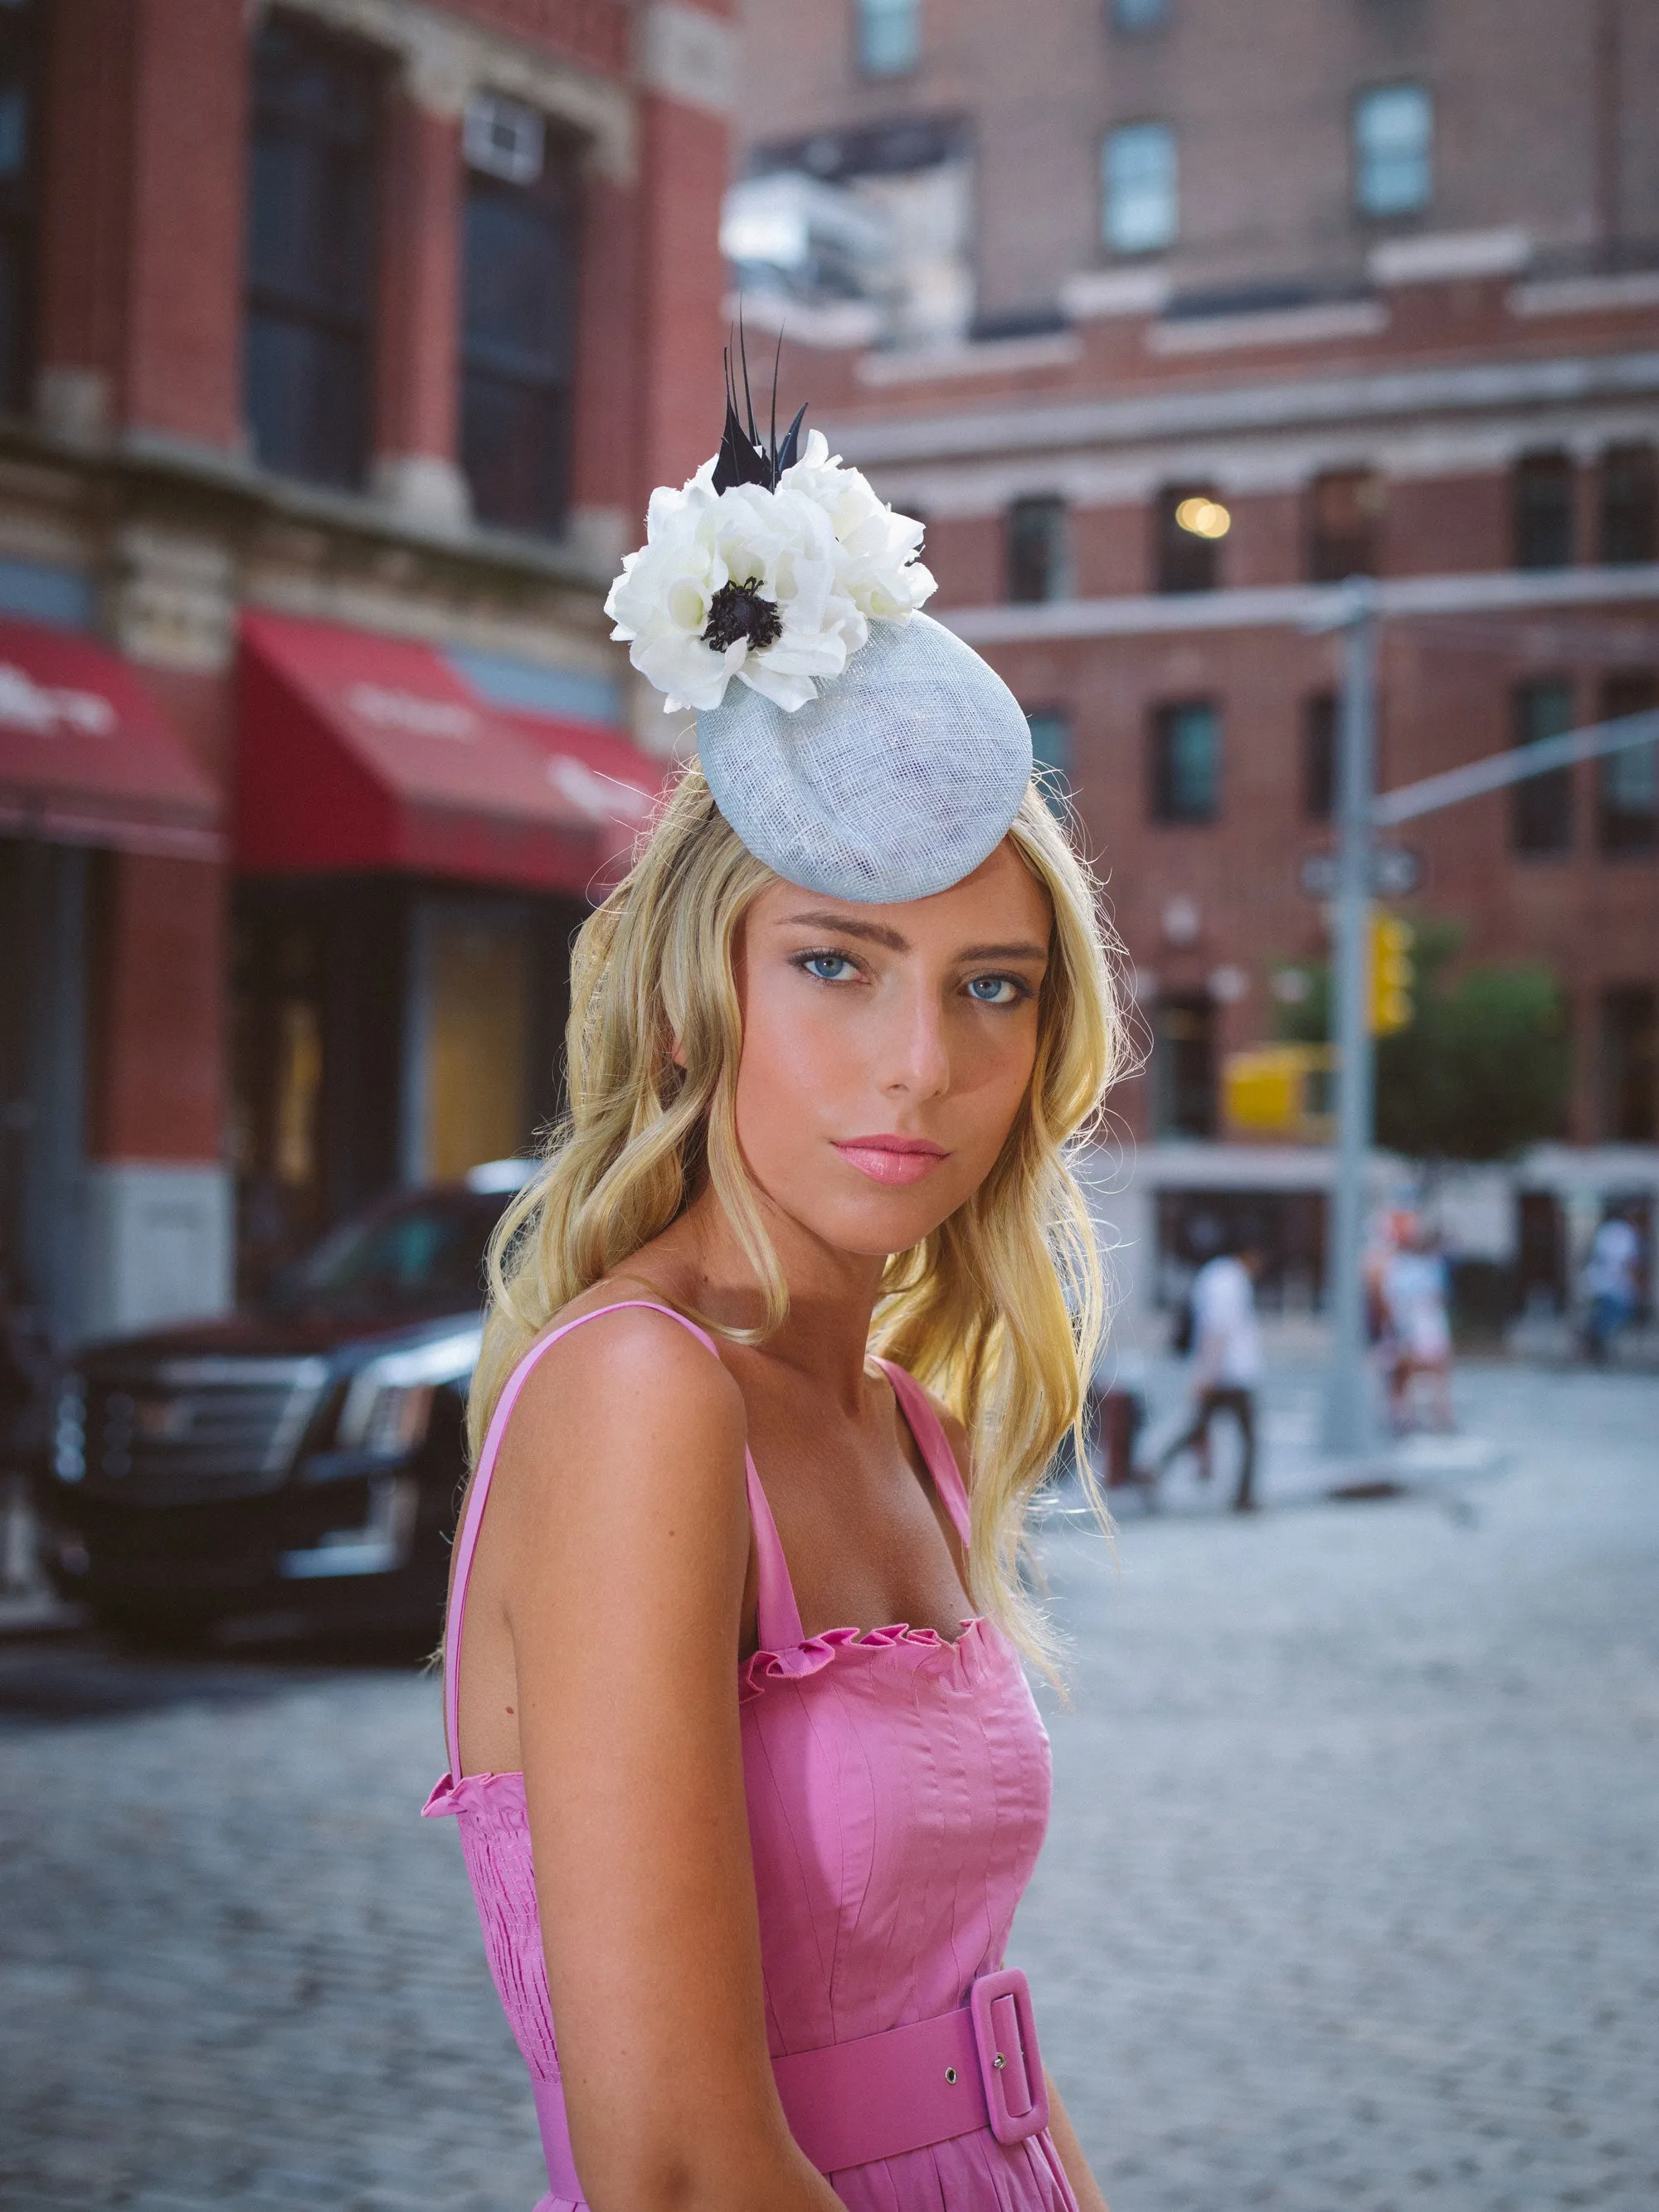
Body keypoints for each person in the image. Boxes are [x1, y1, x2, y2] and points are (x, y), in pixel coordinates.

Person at [424, 365, 1117, 2212]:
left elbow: (979, 2052)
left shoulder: (904, 1416)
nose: (921, 1066)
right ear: (691, 993)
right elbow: (674, 2164)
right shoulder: (645, 1396)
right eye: (836, 964)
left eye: (993, 984)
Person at [1159, 1242, 1264, 1511]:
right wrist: (1207, 1374)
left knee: (1199, 1427)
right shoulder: (1227, 1280)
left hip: (1227, 1372)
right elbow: (1217, 1329)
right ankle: (1244, 1496)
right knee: (1241, 1435)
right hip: (1229, 1374)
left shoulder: (1220, 1277)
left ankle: (1152, 1471)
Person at [1380, 1219, 1454, 1432]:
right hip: (1422, 1325)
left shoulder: (1401, 1266)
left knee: (1407, 1374)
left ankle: (1410, 1417)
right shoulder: (1426, 1267)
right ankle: (1436, 1417)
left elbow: (1390, 1298)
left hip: (1411, 1325)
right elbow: (1437, 1297)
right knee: (1429, 1374)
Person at [1580, 1206, 1642, 1365]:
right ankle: (1599, 1343)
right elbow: (1630, 1262)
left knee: (1604, 1316)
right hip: (1615, 1285)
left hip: (1601, 1283)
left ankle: (1597, 1343)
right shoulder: (1626, 1232)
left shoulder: (1605, 1231)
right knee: (1613, 1316)